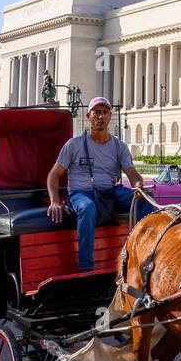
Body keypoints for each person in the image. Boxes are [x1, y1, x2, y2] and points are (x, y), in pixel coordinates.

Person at [46, 96, 146, 272]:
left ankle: (146, 256)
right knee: (87, 208)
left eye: (104, 112)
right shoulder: (74, 144)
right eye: (96, 112)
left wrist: (139, 187)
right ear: (88, 116)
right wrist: (54, 201)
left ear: (110, 116)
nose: (100, 116)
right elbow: (53, 175)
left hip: (110, 192)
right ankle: (86, 268)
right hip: (81, 193)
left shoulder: (119, 147)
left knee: (146, 200)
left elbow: (133, 175)